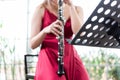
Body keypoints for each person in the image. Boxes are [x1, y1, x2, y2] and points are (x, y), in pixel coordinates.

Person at [30, 0, 90, 80]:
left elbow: (79, 33)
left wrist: (71, 6)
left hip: (70, 56)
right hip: (48, 57)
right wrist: (45, 30)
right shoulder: (40, 9)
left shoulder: (77, 9)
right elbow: (32, 44)